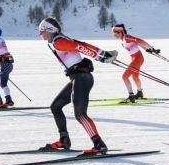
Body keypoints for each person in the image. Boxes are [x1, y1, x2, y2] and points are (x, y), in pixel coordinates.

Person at [38, 17, 117, 154]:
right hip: (77, 78)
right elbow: (81, 44)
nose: (40, 35)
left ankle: (99, 144)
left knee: (80, 114)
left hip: (81, 78)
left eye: (42, 31)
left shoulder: (59, 42)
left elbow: (79, 46)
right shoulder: (60, 39)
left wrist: (99, 56)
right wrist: (101, 53)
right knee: (56, 106)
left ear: (49, 30)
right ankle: (64, 140)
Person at [111, 23, 158, 103]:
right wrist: (146, 49)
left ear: (120, 32)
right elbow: (137, 43)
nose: (114, 36)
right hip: (136, 58)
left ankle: (131, 96)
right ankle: (140, 93)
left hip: (137, 59)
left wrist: (150, 48)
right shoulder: (123, 40)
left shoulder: (126, 37)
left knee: (124, 77)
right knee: (135, 77)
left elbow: (139, 40)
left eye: (115, 34)